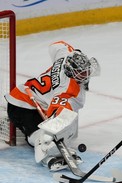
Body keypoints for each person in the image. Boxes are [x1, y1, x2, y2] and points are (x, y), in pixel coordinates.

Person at [4, 40, 100, 171]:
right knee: (42, 137)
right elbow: (55, 115)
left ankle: (57, 146)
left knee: (69, 124)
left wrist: (75, 53)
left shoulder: (66, 56)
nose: (86, 74)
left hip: (30, 96)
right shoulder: (67, 90)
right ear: (72, 72)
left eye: (86, 70)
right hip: (22, 106)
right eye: (82, 73)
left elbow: (56, 45)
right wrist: (50, 135)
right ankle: (47, 158)